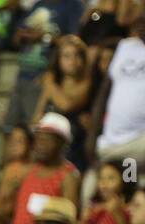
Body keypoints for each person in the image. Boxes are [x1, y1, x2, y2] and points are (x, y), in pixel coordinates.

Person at [86, 1, 145, 195]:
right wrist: (92, 135)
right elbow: (104, 93)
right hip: (111, 140)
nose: (141, 27)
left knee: (125, 178)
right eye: (141, 21)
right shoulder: (126, 46)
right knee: (89, 192)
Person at [4, 113, 81, 224]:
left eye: (46, 140)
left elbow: (69, 221)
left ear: (62, 143)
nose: (40, 145)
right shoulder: (28, 171)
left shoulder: (68, 176)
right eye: (38, 139)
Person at [32, 35, 94, 170]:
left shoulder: (86, 83)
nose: (72, 61)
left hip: (76, 148)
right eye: (66, 56)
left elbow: (66, 105)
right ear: (58, 60)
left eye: (77, 55)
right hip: (50, 148)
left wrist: (48, 82)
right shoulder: (53, 83)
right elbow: (37, 117)